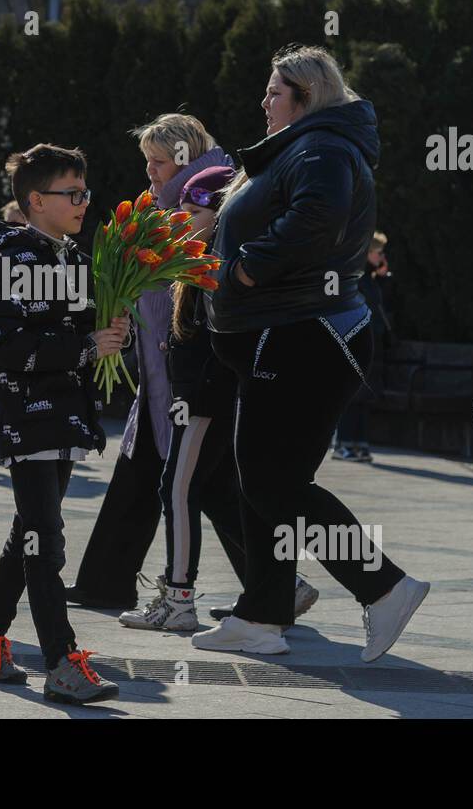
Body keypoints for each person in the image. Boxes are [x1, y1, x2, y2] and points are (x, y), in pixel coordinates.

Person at [196, 44, 429, 661]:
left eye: (274, 92)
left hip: (307, 335)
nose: (263, 101)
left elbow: (315, 221)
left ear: (307, 96)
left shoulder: (322, 147)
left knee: (272, 482)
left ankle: (384, 588)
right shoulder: (306, 147)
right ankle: (261, 614)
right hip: (290, 336)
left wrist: (243, 270)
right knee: (265, 480)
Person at [0, 144, 127, 705]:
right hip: (26, 418)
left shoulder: (71, 257)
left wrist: (109, 323)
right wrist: (83, 347)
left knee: (29, 531)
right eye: (71, 194)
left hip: (64, 415)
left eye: (85, 193)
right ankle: (60, 660)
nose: (83, 202)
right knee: (45, 542)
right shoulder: (10, 262)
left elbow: (75, 329)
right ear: (36, 201)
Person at [118, 165, 320, 630]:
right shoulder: (202, 256)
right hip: (207, 394)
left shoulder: (221, 259)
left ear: (220, 212)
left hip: (207, 397)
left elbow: (215, 339)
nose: (180, 219)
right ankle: (280, 587)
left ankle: (178, 598)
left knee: (177, 488)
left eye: (191, 210)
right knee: (214, 490)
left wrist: (195, 392)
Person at [66, 113, 234, 610]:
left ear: (185, 156)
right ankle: (104, 582)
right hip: (164, 376)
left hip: (191, 374)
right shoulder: (168, 209)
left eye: (158, 163)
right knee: (148, 474)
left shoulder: (208, 196)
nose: (151, 173)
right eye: (148, 163)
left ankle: (277, 588)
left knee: (209, 485)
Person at [333, 231, 392, 463]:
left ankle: (358, 443)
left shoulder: (370, 280)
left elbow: (382, 305)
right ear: (367, 253)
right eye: (379, 253)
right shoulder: (356, 278)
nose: (382, 257)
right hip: (357, 341)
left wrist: (383, 277)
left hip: (372, 342)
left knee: (365, 395)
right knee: (353, 395)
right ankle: (344, 443)